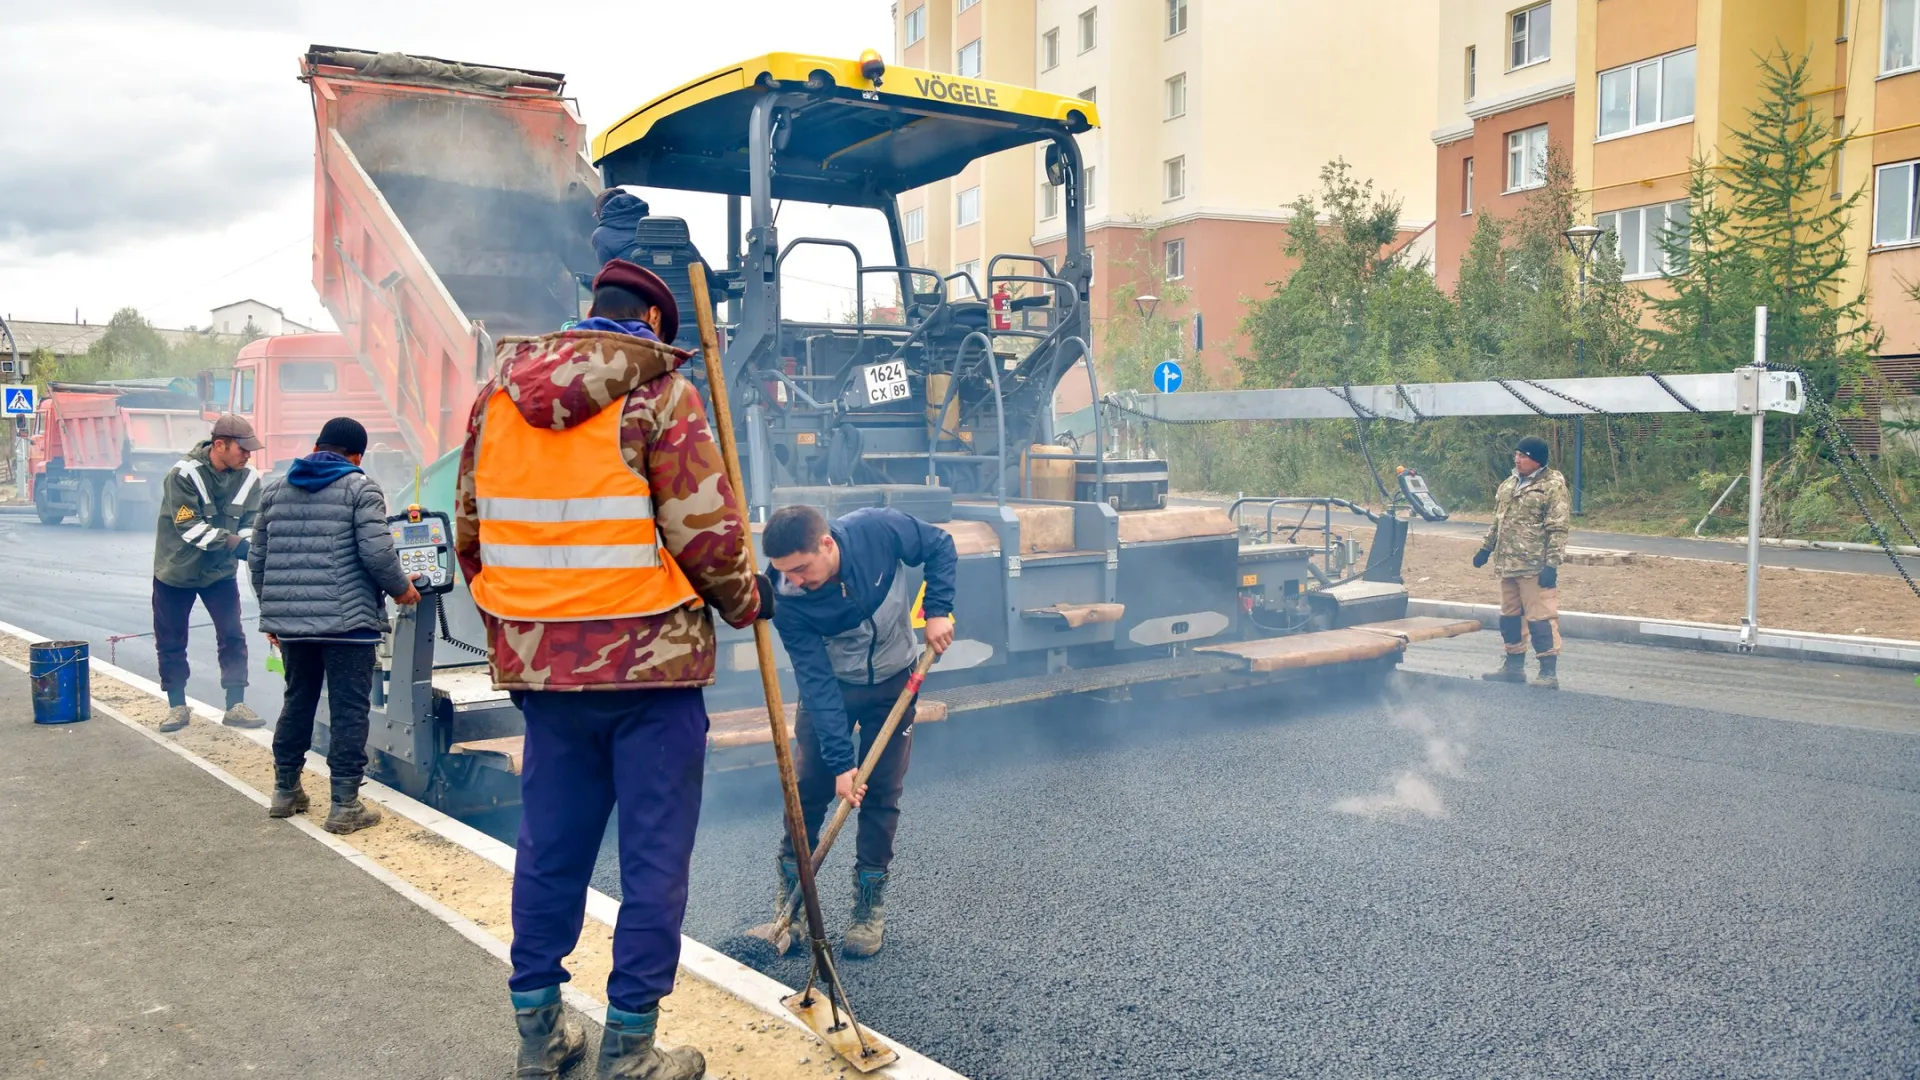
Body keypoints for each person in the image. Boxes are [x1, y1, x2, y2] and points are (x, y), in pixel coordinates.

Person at [455, 258, 761, 1080]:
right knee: (654, 858)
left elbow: (470, 532)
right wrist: (747, 603)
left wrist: (522, 630)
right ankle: (628, 1050)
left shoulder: (497, 399)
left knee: (549, 849)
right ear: (654, 326)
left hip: (545, 674)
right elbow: (706, 530)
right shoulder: (660, 396)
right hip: (651, 671)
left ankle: (540, 1037)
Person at [761, 502, 957, 959]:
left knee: (882, 793)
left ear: (827, 543)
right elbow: (816, 681)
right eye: (784, 572)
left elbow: (939, 545)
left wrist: (938, 611)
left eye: (802, 569)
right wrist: (840, 763)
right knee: (808, 789)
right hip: (833, 688)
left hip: (894, 684)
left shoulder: (878, 530)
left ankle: (868, 908)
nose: (795, 581)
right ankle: (790, 906)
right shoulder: (786, 600)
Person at [248, 418, 420, 834]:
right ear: (357, 455)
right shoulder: (361, 489)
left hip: (292, 624)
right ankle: (345, 806)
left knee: (298, 701)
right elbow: (377, 554)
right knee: (348, 710)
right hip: (348, 625)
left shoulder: (275, 489)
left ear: (318, 446)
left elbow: (258, 559)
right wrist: (402, 590)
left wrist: (275, 614)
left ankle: (285, 792)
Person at [153, 414, 264, 732]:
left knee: (232, 635)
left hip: (219, 573)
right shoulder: (183, 474)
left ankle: (236, 704)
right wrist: (235, 544)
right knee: (171, 640)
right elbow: (189, 527)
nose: (248, 456)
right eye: (243, 449)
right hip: (176, 570)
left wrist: (250, 543)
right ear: (220, 445)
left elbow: (251, 523)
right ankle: (176, 706)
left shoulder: (250, 478)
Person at [1474, 435, 1571, 689]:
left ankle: (1548, 673)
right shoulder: (1508, 484)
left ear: (1536, 460)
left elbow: (1558, 528)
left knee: (1541, 618)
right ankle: (1513, 667)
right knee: (1510, 617)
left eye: (1523, 455)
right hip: (1508, 564)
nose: (1517, 458)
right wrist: (1485, 549)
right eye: (1516, 454)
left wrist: (1552, 564)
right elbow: (1498, 520)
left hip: (1535, 566)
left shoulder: (1552, 485)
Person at [591, 188, 652, 267]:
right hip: (660, 277)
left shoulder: (599, 235)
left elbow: (606, 271)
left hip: (628, 278)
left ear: (602, 212)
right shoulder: (650, 224)